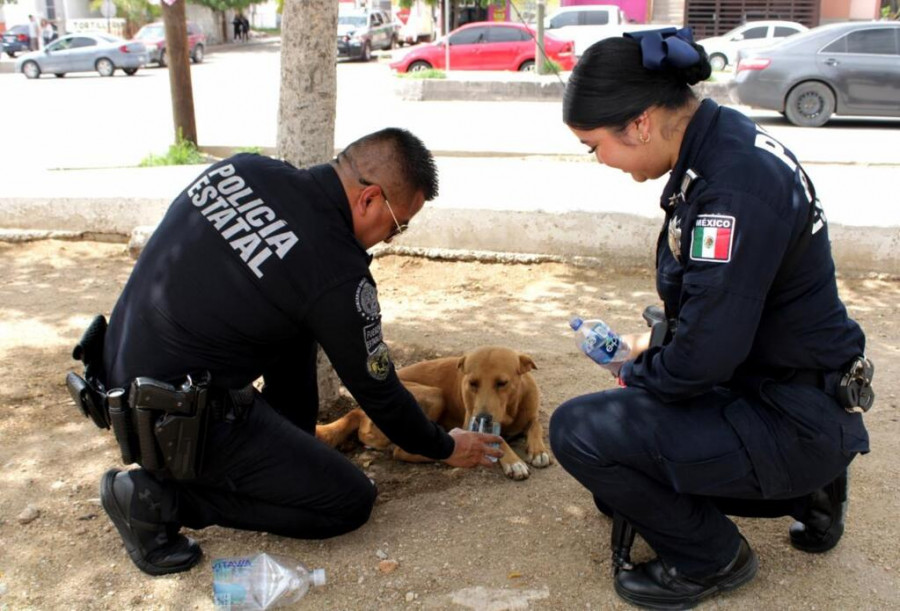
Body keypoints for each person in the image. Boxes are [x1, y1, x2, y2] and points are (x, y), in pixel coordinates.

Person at [75, 128, 503, 576]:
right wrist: (442, 446)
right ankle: (156, 500)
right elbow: (379, 392)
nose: (391, 239)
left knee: (298, 321)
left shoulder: (244, 168)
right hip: (179, 424)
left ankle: (282, 459)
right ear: (369, 199)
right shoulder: (335, 271)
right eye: (397, 226)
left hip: (118, 379)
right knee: (349, 501)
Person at [549, 29, 872, 609]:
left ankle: (715, 560)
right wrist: (652, 343)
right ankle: (813, 492)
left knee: (581, 433)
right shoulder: (723, 145)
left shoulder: (731, 189)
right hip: (796, 393)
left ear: (640, 124)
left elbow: (703, 358)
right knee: (617, 481)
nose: (598, 159)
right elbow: (720, 308)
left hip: (788, 416)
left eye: (593, 144)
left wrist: (635, 377)